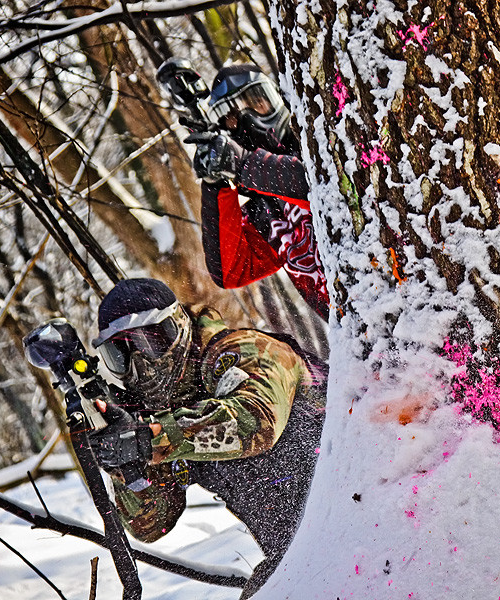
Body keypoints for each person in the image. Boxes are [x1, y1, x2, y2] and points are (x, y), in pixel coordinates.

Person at [86, 277, 327, 598]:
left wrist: (151, 439)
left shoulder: (245, 350)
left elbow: (256, 420)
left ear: (179, 324)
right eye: (121, 353)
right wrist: (126, 462)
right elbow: (151, 523)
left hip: (372, 503)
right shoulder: (165, 415)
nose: (140, 363)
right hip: (306, 553)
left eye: (149, 341)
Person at [188, 63, 330, 320]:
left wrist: (243, 164)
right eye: (232, 117)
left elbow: (323, 188)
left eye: (256, 102)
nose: (249, 119)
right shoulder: (267, 212)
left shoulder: (318, 146)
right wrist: (215, 182)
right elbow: (230, 270)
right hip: (362, 339)